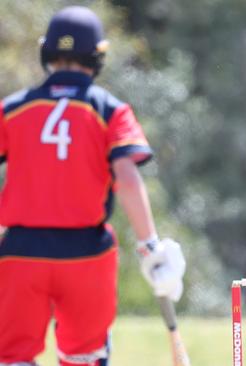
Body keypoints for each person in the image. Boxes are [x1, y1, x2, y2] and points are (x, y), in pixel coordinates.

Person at [0, 6, 186, 366]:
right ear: (97, 55)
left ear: (46, 51)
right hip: (86, 253)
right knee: (83, 357)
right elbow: (127, 178)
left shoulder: (11, 109)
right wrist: (150, 246)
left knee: (12, 357)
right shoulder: (110, 109)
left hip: (21, 252)